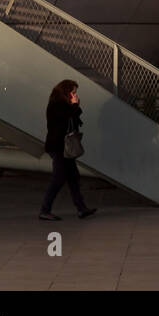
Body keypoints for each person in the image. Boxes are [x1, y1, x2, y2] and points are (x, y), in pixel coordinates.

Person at [39, 80, 97, 220]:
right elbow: (65, 118)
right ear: (65, 91)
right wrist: (75, 105)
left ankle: (81, 208)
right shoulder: (56, 104)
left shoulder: (64, 104)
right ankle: (44, 210)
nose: (74, 95)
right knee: (58, 178)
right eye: (73, 92)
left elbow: (74, 119)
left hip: (65, 146)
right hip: (58, 147)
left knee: (73, 177)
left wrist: (74, 105)